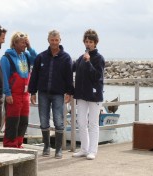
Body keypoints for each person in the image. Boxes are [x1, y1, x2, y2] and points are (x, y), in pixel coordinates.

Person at [28, 30, 74, 159]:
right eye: (52, 40)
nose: (54, 42)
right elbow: (34, 76)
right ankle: (47, 146)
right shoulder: (41, 57)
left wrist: (69, 92)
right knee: (43, 121)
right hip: (42, 93)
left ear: (60, 40)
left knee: (59, 121)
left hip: (59, 94)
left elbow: (69, 77)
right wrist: (32, 92)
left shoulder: (66, 58)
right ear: (48, 40)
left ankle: (58, 149)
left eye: (56, 40)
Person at [72, 29, 105, 160]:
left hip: (94, 95)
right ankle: (84, 149)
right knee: (81, 122)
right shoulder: (81, 58)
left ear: (95, 43)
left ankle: (93, 150)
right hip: (81, 95)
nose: (88, 44)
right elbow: (72, 68)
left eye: (91, 41)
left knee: (93, 123)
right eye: (86, 41)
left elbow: (97, 76)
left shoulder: (99, 58)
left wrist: (88, 62)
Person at [0, 32, 37, 148]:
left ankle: (18, 143)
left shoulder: (26, 55)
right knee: (12, 121)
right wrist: (7, 93)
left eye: (26, 42)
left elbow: (36, 60)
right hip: (13, 95)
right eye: (22, 42)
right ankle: (10, 145)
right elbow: (4, 77)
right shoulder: (6, 58)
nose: (24, 45)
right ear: (15, 43)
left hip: (25, 95)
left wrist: (30, 47)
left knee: (23, 121)